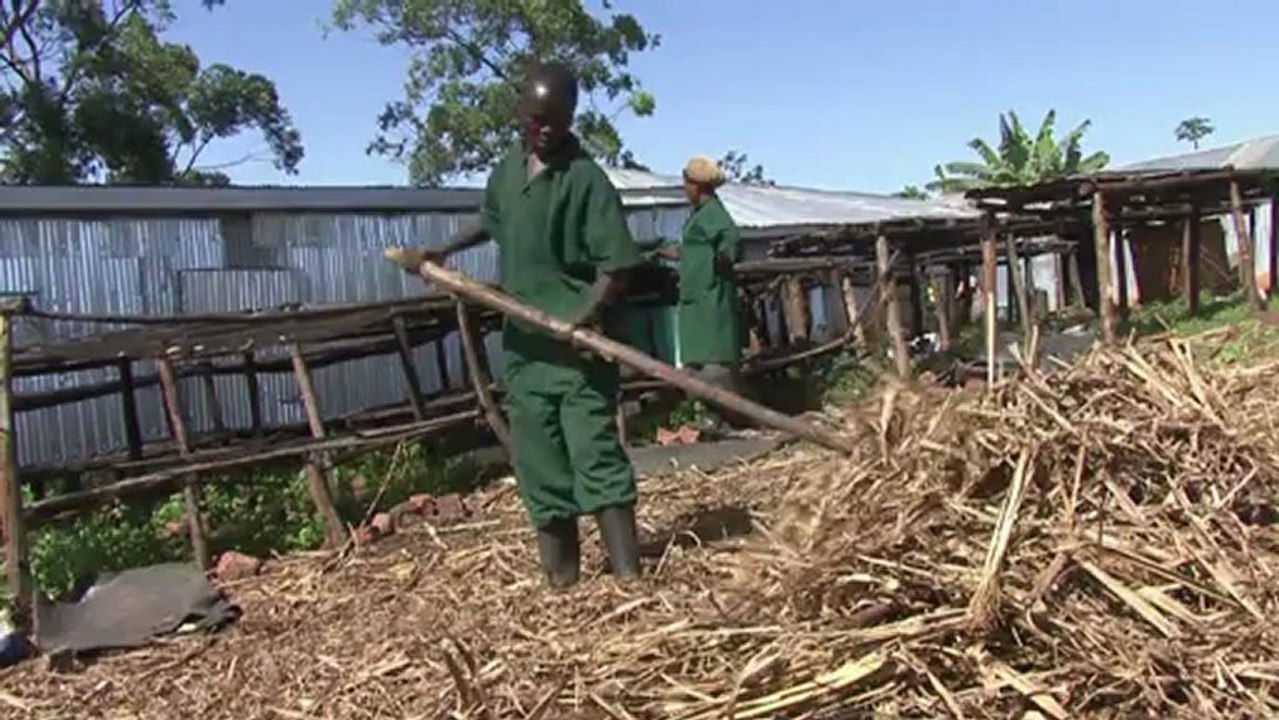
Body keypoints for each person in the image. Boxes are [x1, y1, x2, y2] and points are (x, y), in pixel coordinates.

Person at [394, 63, 643, 590]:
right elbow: (491, 218)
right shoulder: (508, 170)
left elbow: (616, 267)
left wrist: (583, 316)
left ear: (571, 117)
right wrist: (443, 250)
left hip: (578, 353)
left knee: (594, 455)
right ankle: (562, 583)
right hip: (527, 350)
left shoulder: (586, 180)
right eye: (536, 119)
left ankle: (629, 579)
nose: (545, 130)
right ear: (521, 115)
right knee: (540, 463)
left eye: (557, 120)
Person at [652, 156, 744, 430]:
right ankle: (708, 420)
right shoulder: (698, 216)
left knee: (714, 363)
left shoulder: (715, 213)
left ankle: (726, 420)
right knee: (698, 362)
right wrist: (662, 252)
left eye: (686, 184)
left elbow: (730, 242)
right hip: (696, 298)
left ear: (697, 186)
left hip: (711, 298)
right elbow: (693, 250)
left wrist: (718, 264)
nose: (684, 189)